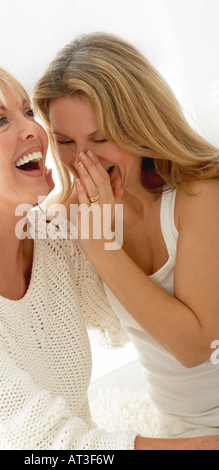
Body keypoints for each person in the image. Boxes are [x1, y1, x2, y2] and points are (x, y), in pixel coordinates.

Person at [0, 58, 218, 451]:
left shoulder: (52, 237)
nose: (32, 129)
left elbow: (133, 315)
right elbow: (41, 445)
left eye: (27, 111)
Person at [33, 32, 219, 439]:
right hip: (183, 430)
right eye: (65, 141)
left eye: (101, 139)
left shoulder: (199, 195)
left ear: (140, 125)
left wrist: (101, 246)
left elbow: (195, 349)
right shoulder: (66, 213)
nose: (84, 158)